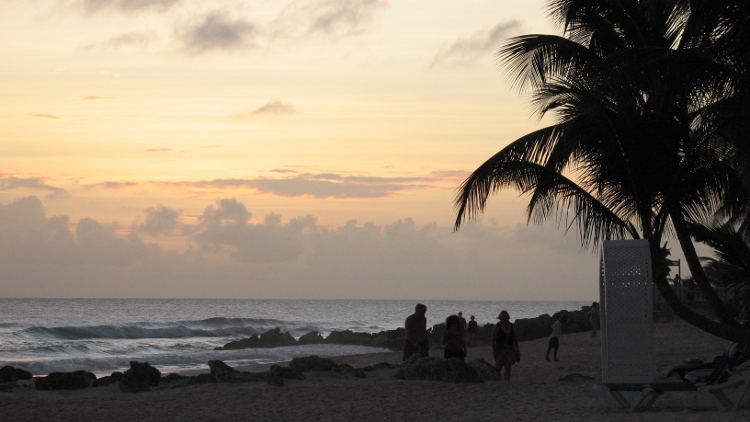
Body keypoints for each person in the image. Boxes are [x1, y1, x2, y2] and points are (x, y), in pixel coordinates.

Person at [492, 310, 519, 381]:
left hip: (510, 349)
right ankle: (496, 380)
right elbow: (493, 340)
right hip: (499, 349)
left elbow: (515, 339)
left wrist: (517, 350)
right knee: (498, 367)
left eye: (505, 318)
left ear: (508, 318)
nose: (503, 320)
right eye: (502, 318)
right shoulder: (497, 326)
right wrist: (494, 351)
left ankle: (507, 382)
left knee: (508, 367)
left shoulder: (511, 326)